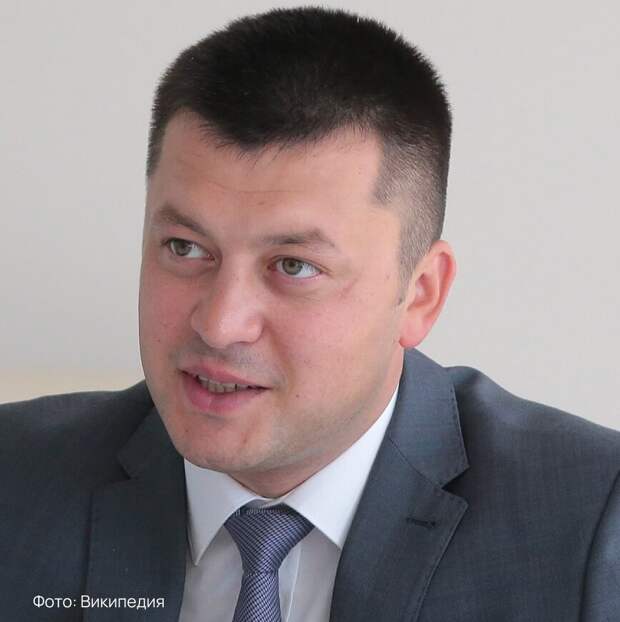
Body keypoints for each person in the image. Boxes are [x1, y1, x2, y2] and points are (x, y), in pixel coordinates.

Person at [1, 6, 618, 622]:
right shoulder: (15, 482)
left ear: (421, 294)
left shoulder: (591, 527)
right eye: (185, 248)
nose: (219, 324)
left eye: (293, 266)